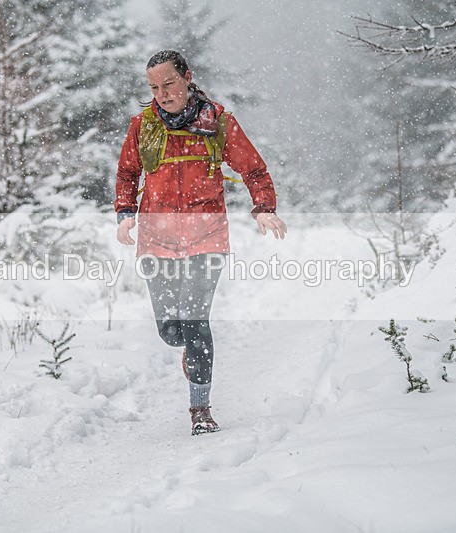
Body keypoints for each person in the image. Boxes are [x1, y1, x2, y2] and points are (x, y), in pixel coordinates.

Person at [115, 50, 287, 436]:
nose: (162, 93)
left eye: (169, 83)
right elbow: (127, 173)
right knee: (170, 331)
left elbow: (253, 168)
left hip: (206, 237)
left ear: (188, 77)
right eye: (154, 87)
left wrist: (263, 208)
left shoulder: (218, 121)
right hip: (157, 240)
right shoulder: (142, 126)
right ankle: (188, 351)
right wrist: (125, 214)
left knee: (195, 322)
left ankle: (200, 408)